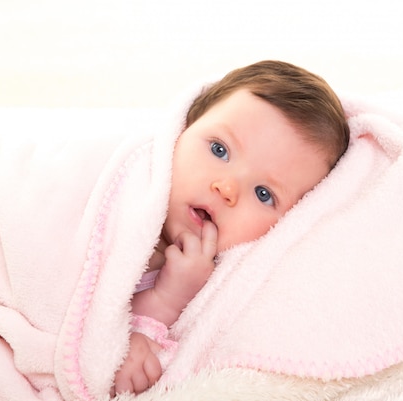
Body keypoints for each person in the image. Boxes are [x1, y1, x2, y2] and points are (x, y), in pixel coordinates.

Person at [112, 60, 350, 395]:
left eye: (263, 193)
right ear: (185, 126)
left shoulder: (218, 287)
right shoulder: (118, 188)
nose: (227, 188)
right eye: (219, 150)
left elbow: (96, 336)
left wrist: (165, 301)